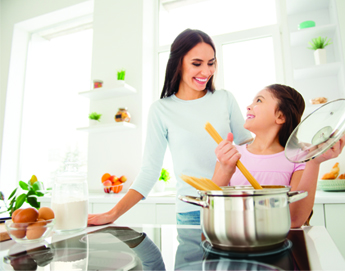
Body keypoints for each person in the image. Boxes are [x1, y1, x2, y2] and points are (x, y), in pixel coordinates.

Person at [88, 29, 252, 226]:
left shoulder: (225, 99)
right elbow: (150, 172)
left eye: (211, 63)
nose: (207, 72)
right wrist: (111, 214)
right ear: (178, 63)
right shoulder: (161, 110)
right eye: (196, 64)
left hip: (231, 208)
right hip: (192, 212)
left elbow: (250, 147)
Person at [212, 84, 345, 228]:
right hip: (235, 238)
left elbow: (294, 220)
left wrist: (314, 162)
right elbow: (212, 211)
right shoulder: (230, 154)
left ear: (280, 116)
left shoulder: (298, 159)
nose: (248, 106)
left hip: (278, 240)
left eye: (259, 101)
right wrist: (225, 170)